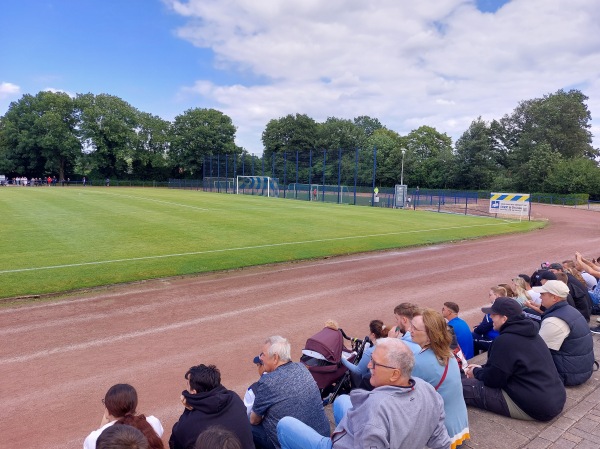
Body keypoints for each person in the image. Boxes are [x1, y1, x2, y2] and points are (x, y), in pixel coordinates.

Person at [276, 338, 450, 449]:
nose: (369, 366)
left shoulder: (376, 406)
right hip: (389, 435)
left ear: (395, 374)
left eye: (375, 363)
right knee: (342, 400)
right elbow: (441, 442)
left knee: (285, 424)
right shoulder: (426, 389)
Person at [462, 297, 566, 421]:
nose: (491, 319)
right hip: (554, 398)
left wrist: (475, 372)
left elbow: (493, 381)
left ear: (504, 318)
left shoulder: (505, 341)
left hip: (536, 408)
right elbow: (506, 365)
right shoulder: (531, 333)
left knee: (463, 387)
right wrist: (482, 368)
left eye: (493, 315)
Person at [250, 336, 329, 449]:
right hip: (322, 437)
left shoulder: (267, 381)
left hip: (296, 444)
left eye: (263, 354)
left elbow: (254, 420)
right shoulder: (302, 368)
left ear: (275, 358)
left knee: (245, 426)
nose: (260, 358)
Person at [411, 309, 470, 448]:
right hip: (459, 423)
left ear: (430, 336)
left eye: (415, 328)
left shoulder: (418, 362)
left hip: (442, 433)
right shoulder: (448, 353)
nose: (410, 330)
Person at [169, 364, 253, 449]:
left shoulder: (187, 424)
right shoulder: (234, 398)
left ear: (193, 392)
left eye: (187, 384)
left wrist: (188, 409)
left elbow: (174, 443)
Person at [533, 280, 595, 386]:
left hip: (569, 375)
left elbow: (537, 350)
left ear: (555, 298)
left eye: (542, 294)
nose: (540, 297)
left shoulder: (554, 320)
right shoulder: (570, 310)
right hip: (581, 369)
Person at [84, 384, 163, 449]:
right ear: (134, 405)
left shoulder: (94, 437)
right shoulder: (153, 422)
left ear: (108, 409)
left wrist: (102, 426)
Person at [340, 319, 389, 384]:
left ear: (373, 335)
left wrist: (342, 359)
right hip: (385, 377)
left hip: (371, 382)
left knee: (353, 374)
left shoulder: (370, 351)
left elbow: (358, 371)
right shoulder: (389, 344)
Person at [472, 286, 506, 354]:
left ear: (497, 295)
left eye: (490, 295)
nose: (489, 297)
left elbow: (483, 327)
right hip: (500, 338)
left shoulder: (495, 309)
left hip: (494, 341)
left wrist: (476, 330)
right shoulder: (507, 304)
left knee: (470, 337)